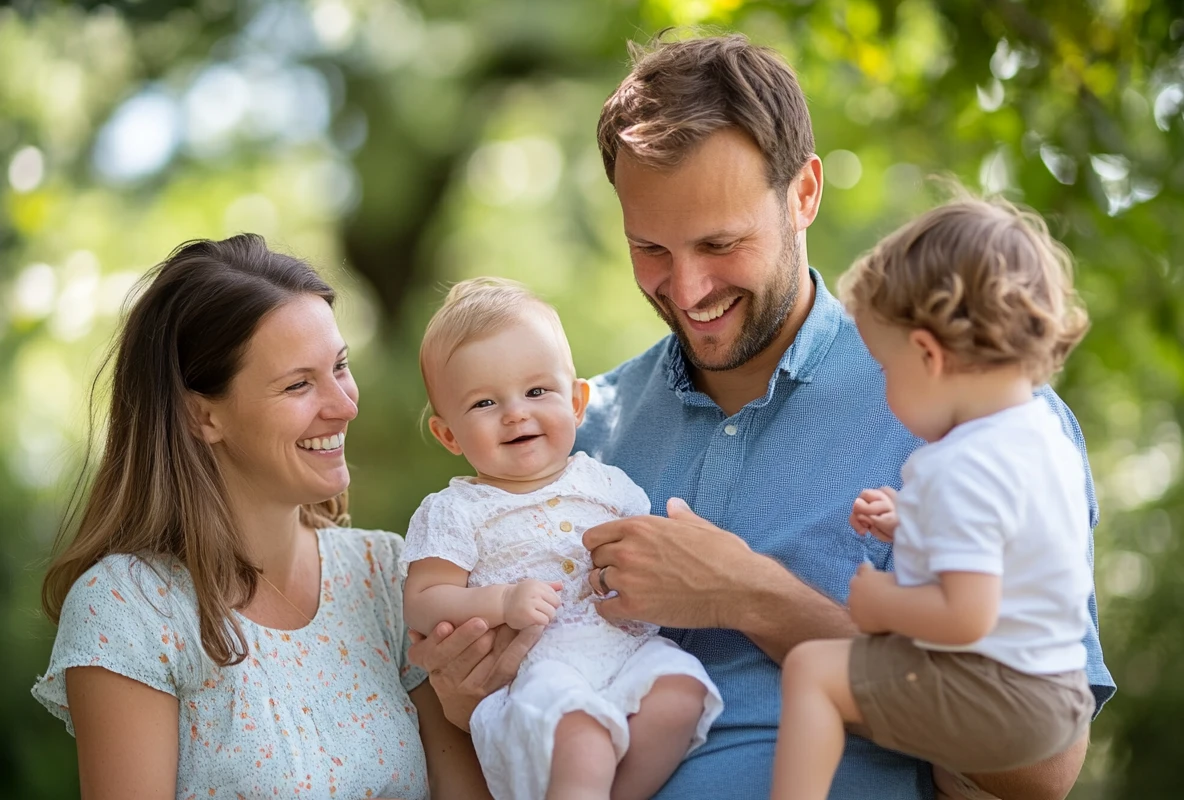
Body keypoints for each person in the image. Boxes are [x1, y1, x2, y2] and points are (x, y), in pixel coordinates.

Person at [408, 33, 1115, 800]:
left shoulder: (974, 412)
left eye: (720, 243)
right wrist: (466, 699)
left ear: (804, 193)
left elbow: (1042, 771)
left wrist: (751, 597)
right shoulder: (578, 431)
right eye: (650, 248)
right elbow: (461, 725)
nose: (686, 289)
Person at [31, 234, 490, 799]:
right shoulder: (128, 608)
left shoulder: (389, 574)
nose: (345, 405)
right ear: (203, 416)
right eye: (299, 384)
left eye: (339, 367)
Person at [771, 198, 1097, 799]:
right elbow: (1011, 544)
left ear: (927, 355)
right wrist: (912, 524)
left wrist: (882, 601)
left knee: (813, 672)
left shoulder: (960, 463)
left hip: (1004, 695)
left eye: (887, 371)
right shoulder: (1040, 434)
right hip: (1056, 693)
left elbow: (967, 614)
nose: (887, 393)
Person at [400, 277, 722, 800]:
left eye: (535, 391)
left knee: (682, 693)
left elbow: (649, 550)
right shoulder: (456, 510)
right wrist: (501, 601)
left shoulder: (605, 483)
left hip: (625, 650)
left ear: (576, 403)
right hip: (537, 675)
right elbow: (421, 603)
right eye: (484, 403)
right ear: (449, 435)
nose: (515, 412)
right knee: (582, 733)